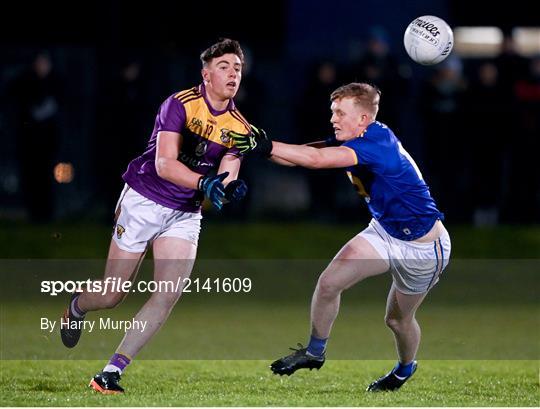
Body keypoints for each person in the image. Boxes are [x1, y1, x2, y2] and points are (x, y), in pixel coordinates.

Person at [230, 82, 451, 392]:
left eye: (340, 113)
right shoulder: (356, 136)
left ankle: (404, 369)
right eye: (332, 111)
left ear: (363, 119)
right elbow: (304, 154)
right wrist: (258, 146)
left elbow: (316, 161)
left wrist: (263, 145)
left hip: (423, 247)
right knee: (329, 282)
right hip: (384, 231)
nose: (333, 118)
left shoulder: (377, 144)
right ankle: (314, 353)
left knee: (397, 321)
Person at [60, 38, 250, 394]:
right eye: (224, 67)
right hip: (144, 201)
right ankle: (76, 306)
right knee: (112, 294)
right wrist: (205, 182)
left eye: (237, 68)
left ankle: (110, 373)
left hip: (185, 213)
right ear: (206, 74)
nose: (232, 74)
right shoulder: (179, 104)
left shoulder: (240, 127)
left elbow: (227, 171)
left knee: (167, 293)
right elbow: (164, 165)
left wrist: (229, 189)